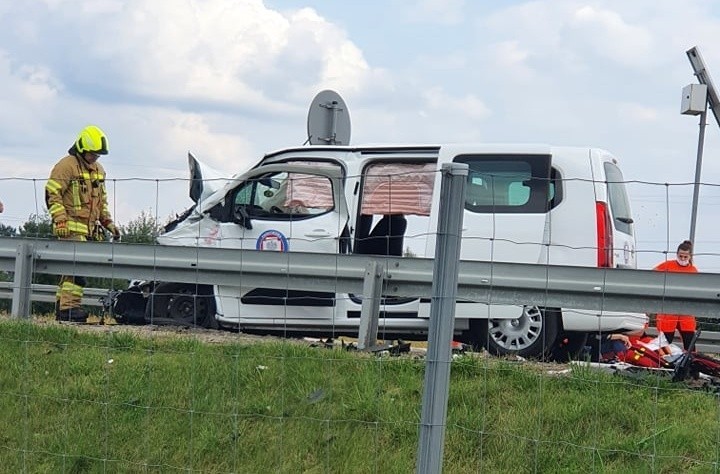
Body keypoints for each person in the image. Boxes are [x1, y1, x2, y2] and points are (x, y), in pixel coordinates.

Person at [45, 125, 119, 322]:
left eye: (98, 154)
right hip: (69, 228)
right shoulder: (66, 165)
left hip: (90, 230)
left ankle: (62, 310)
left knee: (72, 270)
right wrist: (60, 220)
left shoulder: (99, 170)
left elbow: (101, 201)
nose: (95, 157)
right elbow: (52, 194)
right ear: (81, 149)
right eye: (92, 153)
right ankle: (69, 309)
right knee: (77, 270)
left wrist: (108, 222)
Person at [653, 240, 698, 350]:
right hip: (669, 309)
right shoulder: (667, 265)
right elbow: (652, 276)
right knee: (665, 340)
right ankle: (661, 363)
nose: (682, 259)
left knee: (689, 341)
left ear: (690, 256)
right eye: (680, 256)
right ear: (677, 254)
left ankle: (690, 363)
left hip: (686, 311)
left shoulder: (693, 270)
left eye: (685, 257)